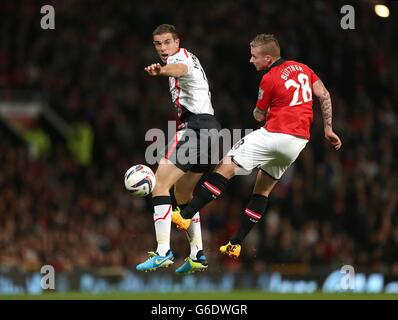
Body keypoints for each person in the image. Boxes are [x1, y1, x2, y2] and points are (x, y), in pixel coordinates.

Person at [172, 34, 342, 259]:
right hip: (298, 141)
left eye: (254, 57)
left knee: (226, 167)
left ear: (269, 58)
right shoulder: (303, 68)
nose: (251, 61)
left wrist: (262, 111)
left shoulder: (269, 78)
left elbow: (258, 115)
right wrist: (328, 128)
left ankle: (186, 213)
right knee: (263, 189)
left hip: (275, 133)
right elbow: (324, 94)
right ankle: (236, 243)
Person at [136, 24, 221, 272]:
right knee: (183, 195)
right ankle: (198, 254)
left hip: (196, 127)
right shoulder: (186, 57)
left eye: (167, 42)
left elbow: (178, 68)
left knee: (159, 184)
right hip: (212, 130)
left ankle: (163, 251)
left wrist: (162, 70)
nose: (163, 48)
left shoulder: (180, 58)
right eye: (158, 44)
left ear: (177, 42)